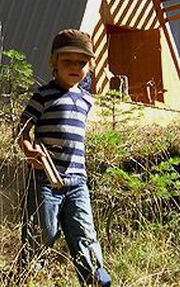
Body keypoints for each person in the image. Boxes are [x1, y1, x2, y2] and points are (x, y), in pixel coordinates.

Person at [15, 29, 111, 286]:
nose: (75, 67)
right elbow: (23, 128)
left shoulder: (86, 99)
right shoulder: (43, 95)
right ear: (53, 62)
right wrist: (28, 148)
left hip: (77, 181)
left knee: (83, 233)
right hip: (46, 178)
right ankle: (27, 276)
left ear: (89, 68)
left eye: (82, 63)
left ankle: (95, 279)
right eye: (68, 61)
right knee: (43, 231)